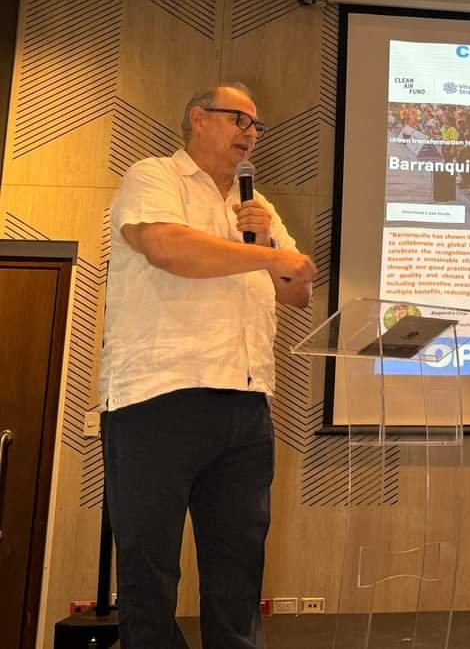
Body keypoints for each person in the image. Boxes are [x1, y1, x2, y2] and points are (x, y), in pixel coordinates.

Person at [98, 83, 318, 649]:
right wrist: (270, 254)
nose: (250, 134)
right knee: (150, 570)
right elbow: (169, 249)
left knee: (238, 571)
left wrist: (269, 242)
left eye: (256, 126)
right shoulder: (154, 177)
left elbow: (297, 292)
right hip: (158, 396)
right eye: (238, 119)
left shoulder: (256, 206)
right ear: (198, 118)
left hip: (246, 403)